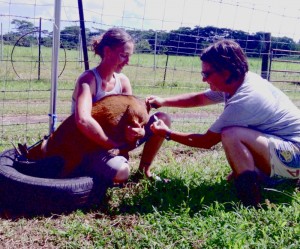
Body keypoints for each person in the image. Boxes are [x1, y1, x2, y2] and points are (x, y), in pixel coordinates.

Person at [148, 39, 300, 207]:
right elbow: (201, 98)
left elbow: (206, 141)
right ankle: (267, 176)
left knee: (231, 134)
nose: (204, 79)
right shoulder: (240, 80)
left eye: (206, 74)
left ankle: (251, 201)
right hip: (287, 145)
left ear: (226, 72)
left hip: (295, 154)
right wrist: (163, 101)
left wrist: (167, 133)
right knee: (237, 149)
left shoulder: (245, 99)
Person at [71, 27, 171, 187]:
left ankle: (144, 171)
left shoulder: (123, 81)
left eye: (129, 56)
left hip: (119, 142)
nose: (128, 61)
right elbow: (83, 120)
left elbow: (130, 119)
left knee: (162, 119)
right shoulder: (89, 80)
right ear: (108, 51)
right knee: (122, 172)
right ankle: (91, 168)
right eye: (123, 55)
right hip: (94, 143)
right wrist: (110, 143)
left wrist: (140, 131)